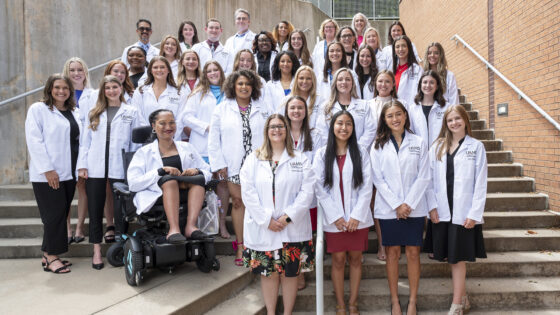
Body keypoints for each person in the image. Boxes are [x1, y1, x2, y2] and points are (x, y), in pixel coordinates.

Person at [240, 114, 315, 315]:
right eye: (272, 126)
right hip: (265, 228)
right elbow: (248, 192)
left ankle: (287, 313)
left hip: (292, 227)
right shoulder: (253, 159)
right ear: (266, 131)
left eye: (281, 126)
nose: (277, 130)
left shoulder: (300, 159)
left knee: (290, 275)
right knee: (269, 274)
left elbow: (307, 191)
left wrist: (287, 216)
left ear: (287, 129)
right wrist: (267, 220)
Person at [424, 105, 488, 315]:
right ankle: (463, 297)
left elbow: (481, 183)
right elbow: (429, 181)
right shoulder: (437, 147)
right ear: (446, 123)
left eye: (458, 119)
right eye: (450, 120)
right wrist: (431, 206)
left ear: (465, 120)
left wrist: (474, 213)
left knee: (457, 258)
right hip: (443, 211)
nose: (454, 123)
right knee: (449, 257)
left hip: (463, 213)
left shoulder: (476, 147)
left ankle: (457, 304)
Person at [370, 100, 430, 315]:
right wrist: (397, 204)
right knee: (392, 253)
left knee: (414, 253)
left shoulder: (419, 142)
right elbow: (378, 179)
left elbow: (424, 176)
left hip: (414, 208)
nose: (395, 119)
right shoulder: (377, 145)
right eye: (390, 116)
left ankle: (412, 301)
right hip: (388, 208)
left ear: (405, 115)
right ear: (384, 120)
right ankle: (395, 301)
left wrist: (408, 204)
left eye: (398, 114)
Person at [313, 110, 373, 315]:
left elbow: (367, 186)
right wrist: (336, 216)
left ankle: (353, 303)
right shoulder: (322, 154)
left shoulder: (361, 152)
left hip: (358, 218)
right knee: (338, 260)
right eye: (340, 123)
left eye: (349, 124)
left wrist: (356, 215)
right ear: (332, 127)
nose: (344, 128)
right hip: (335, 219)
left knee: (356, 259)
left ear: (353, 128)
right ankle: (340, 304)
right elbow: (319, 187)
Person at [208, 70, 271, 266]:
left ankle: (259, 245)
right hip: (233, 164)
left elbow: (272, 133)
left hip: (259, 164)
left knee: (259, 203)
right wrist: (219, 164)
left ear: (253, 87)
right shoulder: (222, 108)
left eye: (248, 84)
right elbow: (214, 139)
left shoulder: (263, 107)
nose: (244, 87)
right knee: (237, 202)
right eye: (240, 84)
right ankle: (242, 246)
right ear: (233, 86)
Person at [77, 76, 139, 269]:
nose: (111, 91)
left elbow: (136, 141)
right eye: (108, 88)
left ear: (121, 88)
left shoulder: (131, 112)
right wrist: (82, 165)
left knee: (121, 210)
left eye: (115, 87)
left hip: (119, 167)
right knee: (95, 209)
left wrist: (134, 165)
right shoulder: (94, 113)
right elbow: (85, 143)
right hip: (95, 167)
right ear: (103, 91)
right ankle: (96, 250)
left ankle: (121, 246)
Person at [127, 109, 212, 243]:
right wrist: (160, 171)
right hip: (157, 195)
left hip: (186, 191)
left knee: (198, 180)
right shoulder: (143, 153)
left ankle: (191, 226)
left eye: (172, 122)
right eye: (162, 123)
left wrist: (197, 170)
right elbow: (133, 183)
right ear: (153, 126)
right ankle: (174, 229)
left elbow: (207, 171)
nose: (168, 127)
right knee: (169, 181)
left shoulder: (187, 147)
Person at [25, 74, 81, 274]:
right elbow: (34, 140)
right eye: (57, 87)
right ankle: (51, 257)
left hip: (69, 172)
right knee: (54, 215)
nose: (61, 91)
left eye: (65, 88)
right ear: (49, 89)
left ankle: (47, 255)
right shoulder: (38, 110)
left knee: (60, 213)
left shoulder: (74, 110)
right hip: (48, 174)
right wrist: (48, 169)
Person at [180, 60, 231, 239]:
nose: (212, 73)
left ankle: (222, 223)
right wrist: (206, 127)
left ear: (221, 71)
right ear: (205, 74)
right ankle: (204, 225)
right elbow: (185, 117)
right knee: (202, 186)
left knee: (223, 184)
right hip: (202, 147)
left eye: (215, 69)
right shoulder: (198, 93)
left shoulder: (229, 93)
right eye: (208, 71)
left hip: (224, 147)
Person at [283, 96, 320, 291]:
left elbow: (320, 163)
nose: (296, 111)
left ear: (306, 111)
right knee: (288, 233)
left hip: (308, 193)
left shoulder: (316, 134)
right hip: (286, 192)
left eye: (300, 108)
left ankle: (302, 272)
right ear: (287, 111)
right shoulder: (280, 132)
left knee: (306, 235)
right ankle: (290, 270)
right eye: (292, 108)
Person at [367, 70, 401, 261]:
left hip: (395, 156)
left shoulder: (399, 103)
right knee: (377, 203)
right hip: (373, 155)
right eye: (380, 81)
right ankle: (382, 244)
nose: (383, 85)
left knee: (394, 198)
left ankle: (396, 243)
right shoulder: (367, 105)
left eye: (387, 81)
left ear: (393, 84)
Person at [62, 57, 95, 245]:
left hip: (85, 147)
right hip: (66, 147)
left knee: (82, 188)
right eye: (72, 70)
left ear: (85, 72)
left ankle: (80, 227)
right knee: (66, 189)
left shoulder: (93, 94)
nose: (76, 73)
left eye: (79, 70)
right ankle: (66, 228)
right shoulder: (62, 93)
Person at [316, 68, 375, 150]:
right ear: (335, 83)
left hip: (359, 151)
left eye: (347, 79)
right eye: (340, 80)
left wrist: (357, 148)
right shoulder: (326, 107)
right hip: (334, 152)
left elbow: (370, 129)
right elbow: (322, 131)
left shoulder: (364, 105)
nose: (344, 82)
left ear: (353, 83)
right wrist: (336, 149)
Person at [132, 56, 181, 128]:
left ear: (168, 70)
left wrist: (169, 135)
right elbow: (137, 116)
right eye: (155, 67)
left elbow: (180, 119)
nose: (159, 70)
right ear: (150, 71)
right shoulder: (140, 91)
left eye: (162, 67)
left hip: (171, 135)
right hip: (146, 136)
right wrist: (150, 135)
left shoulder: (178, 92)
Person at [409, 71, 449, 148]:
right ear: (420, 85)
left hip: (441, 152)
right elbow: (410, 133)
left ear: (437, 86)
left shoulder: (446, 107)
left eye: (432, 82)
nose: (428, 85)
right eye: (425, 82)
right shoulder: (412, 109)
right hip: (419, 152)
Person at [392, 35, 424, 108]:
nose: (400, 49)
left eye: (403, 46)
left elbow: (420, 93)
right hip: (395, 109)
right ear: (394, 50)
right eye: (397, 47)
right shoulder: (393, 71)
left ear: (409, 48)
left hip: (412, 109)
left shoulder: (418, 70)